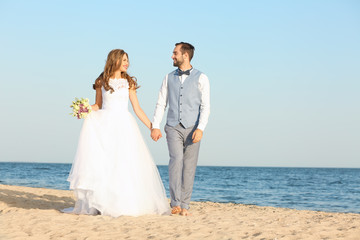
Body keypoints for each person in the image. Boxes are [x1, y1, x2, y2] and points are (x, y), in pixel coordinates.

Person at [65, 49, 170, 217]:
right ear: (115, 61)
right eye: (124, 60)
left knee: (123, 163)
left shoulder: (128, 83)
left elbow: (137, 108)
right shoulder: (101, 81)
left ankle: (122, 202)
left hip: (124, 126)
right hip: (104, 125)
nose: (127, 63)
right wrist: (84, 109)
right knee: (104, 164)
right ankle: (101, 203)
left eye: (127, 60)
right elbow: (98, 105)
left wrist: (152, 127)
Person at [151, 42, 210, 216]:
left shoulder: (202, 78)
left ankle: (185, 205)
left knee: (189, 166)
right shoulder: (168, 77)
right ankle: (175, 203)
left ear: (185, 55)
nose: (172, 56)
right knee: (176, 161)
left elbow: (206, 106)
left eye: (175, 53)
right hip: (172, 126)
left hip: (193, 127)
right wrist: (155, 126)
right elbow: (161, 103)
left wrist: (200, 128)